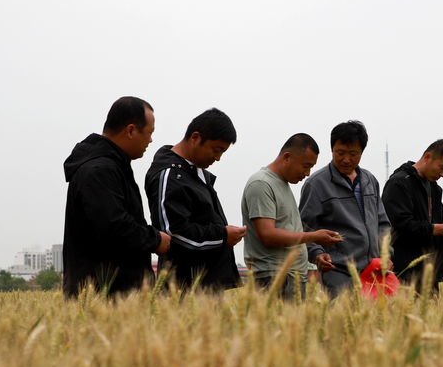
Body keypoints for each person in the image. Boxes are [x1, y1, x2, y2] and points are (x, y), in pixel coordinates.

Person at [63, 97, 171, 298]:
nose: (151, 140)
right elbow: (114, 227)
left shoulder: (111, 166)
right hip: (105, 297)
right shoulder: (99, 170)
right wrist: (155, 239)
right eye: (149, 133)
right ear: (130, 131)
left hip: (114, 296)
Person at [144, 108, 246, 292]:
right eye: (216, 150)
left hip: (209, 284)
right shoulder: (169, 175)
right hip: (186, 288)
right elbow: (173, 234)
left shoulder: (196, 173)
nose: (218, 158)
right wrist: (223, 235)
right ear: (195, 137)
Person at [241, 133, 342, 298]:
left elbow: (291, 231)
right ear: (286, 157)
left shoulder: (282, 184)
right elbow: (267, 235)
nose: (308, 173)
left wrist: (315, 254)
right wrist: (313, 237)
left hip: (292, 277)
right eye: (306, 165)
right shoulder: (262, 184)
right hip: (275, 277)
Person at [299, 120, 392, 297]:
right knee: (341, 324)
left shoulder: (370, 181)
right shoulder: (316, 184)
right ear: (332, 149)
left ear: (362, 152)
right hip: (338, 274)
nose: (346, 159)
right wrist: (317, 253)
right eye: (340, 153)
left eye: (353, 154)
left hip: (374, 274)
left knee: (376, 324)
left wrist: (386, 254)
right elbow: (304, 229)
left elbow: (383, 224)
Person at [382, 139, 443, 294]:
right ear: (427, 157)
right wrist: (437, 229)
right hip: (406, 274)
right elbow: (400, 226)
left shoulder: (434, 188)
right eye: (442, 168)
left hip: (432, 275)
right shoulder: (399, 183)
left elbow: (441, 224)